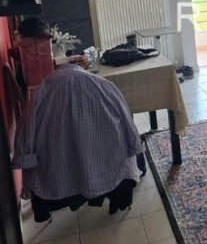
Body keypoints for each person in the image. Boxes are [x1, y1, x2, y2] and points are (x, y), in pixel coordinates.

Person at [13, 63, 143, 222]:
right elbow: (127, 119)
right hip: (109, 169)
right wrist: (134, 145)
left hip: (57, 178)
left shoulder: (41, 93)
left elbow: (25, 130)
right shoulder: (104, 85)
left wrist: (26, 159)